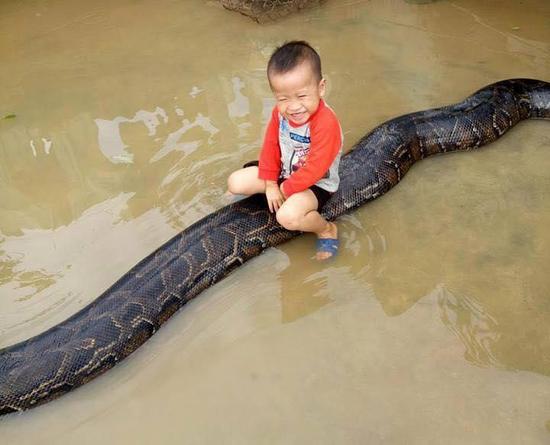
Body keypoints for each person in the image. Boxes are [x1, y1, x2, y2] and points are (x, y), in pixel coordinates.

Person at [227, 40, 343, 260]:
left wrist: (284, 190)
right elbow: (270, 146)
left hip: (316, 183)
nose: (293, 106)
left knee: (287, 217)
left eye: (301, 96)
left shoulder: (325, 123)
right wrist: (271, 184)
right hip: (285, 173)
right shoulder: (280, 114)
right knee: (235, 183)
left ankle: (326, 229)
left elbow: (316, 169)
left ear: (321, 88)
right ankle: (269, 190)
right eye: (283, 98)